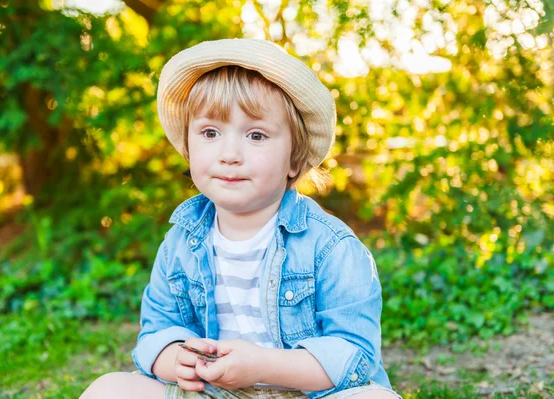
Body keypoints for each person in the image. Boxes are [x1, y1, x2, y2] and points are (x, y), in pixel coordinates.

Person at [80, 38, 400, 399]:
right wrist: (176, 360)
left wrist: (262, 365)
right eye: (211, 133)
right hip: (217, 393)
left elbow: (354, 357)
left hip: (311, 394)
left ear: (295, 160)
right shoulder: (181, 243)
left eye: (256, 135)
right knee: (108, 390)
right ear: (188, 149)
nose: (229, 154)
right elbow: (156, 332)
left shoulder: (329, 246)